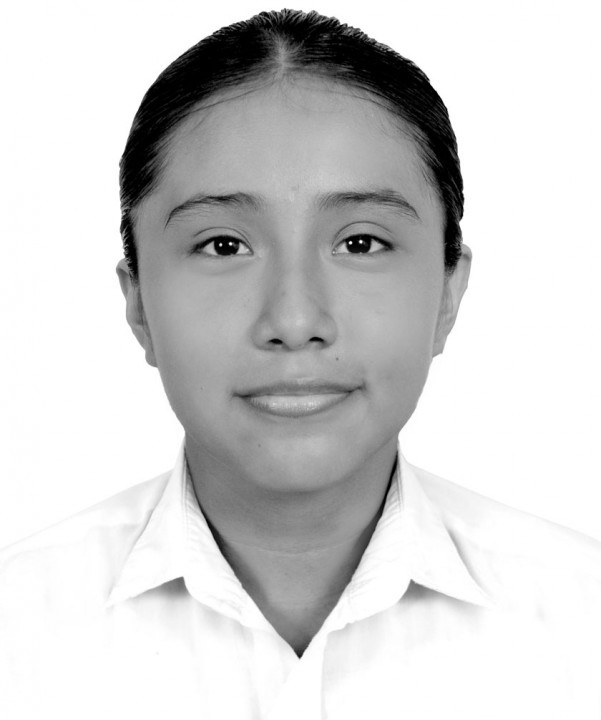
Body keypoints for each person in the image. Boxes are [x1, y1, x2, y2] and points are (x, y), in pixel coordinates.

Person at [1, 8, 600, 719]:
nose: (292, 322)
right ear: (138, 303)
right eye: (224, 245)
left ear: (447, 292)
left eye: (360, 243)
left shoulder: (582, 623)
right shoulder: (18, 632)